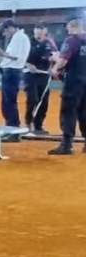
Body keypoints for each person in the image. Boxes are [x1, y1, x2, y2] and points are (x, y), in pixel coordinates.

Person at [47, 16, 86, 155]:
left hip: (73, 82)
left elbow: (63, 61)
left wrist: (55, 62)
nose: (66, 29)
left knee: (68, 112)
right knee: (84, 113)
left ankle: (67, 145)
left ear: (72, 26)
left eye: (68, 27)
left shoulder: (71, 40)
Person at [0, 18, 31, 141]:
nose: (4, 34)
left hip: (12, 72)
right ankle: (11, 128)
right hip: (12, 71)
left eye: (5, 30)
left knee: (9, 102)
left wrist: (0, 52)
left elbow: (14, 57)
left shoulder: (18, 38)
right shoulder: (19, 37)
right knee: (8, 102)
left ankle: (13, 130)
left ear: (10, 28)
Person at [24, 21, 57, 135]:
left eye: (41, 28)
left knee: (44, 101)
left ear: (45, 30)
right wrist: (28, 65)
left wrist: (53, 63)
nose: (39, 30)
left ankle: (39, 125)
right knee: (33, 99)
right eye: (37, 28)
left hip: (44, 75)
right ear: (34, 30)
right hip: (30, 75)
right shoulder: (28, 42)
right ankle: (29, 123)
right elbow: (20, 57)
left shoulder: (49, 43)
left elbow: (55, 56)